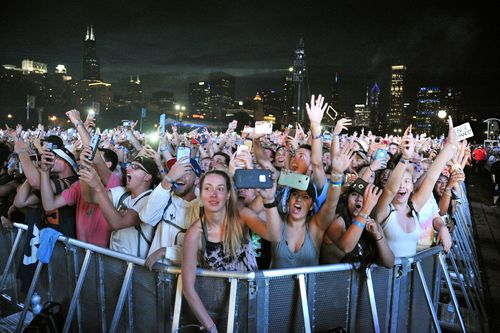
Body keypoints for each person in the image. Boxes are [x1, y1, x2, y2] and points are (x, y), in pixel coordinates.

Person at [374, 120, 455, 257]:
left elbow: (431, 177)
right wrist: (405, 158)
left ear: (412, 187)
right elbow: (390, 190)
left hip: (408, 275)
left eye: (407, 181)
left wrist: (450, 145)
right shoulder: (384, 209)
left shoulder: (414, 208)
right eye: (398, 181)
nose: (402, 186)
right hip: (384, 277)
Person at [78, 156, 159, 258]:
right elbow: (89, 197)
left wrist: (98, 186)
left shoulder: (150, 200)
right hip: (113, 261)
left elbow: (117, 223)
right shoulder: (123, 193)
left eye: (135, 167)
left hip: (134, 268)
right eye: (129, 165)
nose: (128, 169)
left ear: (147, 177)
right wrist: (84, 169)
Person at [141, 157, 203, 269]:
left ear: (197, 180)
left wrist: (166, 252)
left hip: (186, 281)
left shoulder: (204, 207)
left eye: (186, 171)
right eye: (176, 170)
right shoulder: (165, 197)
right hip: (154, 276)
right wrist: (167, 180)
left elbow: (202, 254)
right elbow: (146, 218)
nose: (179, 176)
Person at [323, 183, 395, 269]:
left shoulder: (373, 224)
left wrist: (377, 235)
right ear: (346, 198)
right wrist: (366, 209)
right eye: (354, 194)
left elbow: (389, 263)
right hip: (333, 280)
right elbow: (346, 247)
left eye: (364, 196)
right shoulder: (337, 221)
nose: (359, 199)